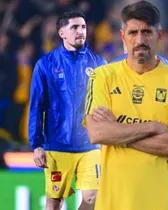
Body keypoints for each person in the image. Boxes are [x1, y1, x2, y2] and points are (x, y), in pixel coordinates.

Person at [84, 1, 168, 210]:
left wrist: (117, 133)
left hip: (161, 203)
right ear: (123, 36)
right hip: (113, 204)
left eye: (146, 32)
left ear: (159, 36)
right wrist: (152, 127)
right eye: (133, 33)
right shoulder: (102, 77)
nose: (140, 40)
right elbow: (97, 133)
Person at [28, 10, 105, 210]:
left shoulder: (99, 64)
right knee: (54, 202)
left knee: (93, 198)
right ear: (62, 32)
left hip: (90, 145)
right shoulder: (45, 64)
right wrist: (36, 144)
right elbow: (37, 105)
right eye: (74, 27)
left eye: (83, 27)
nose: (81, 31)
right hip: (57, 145)